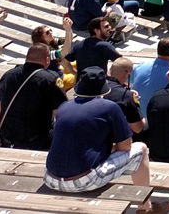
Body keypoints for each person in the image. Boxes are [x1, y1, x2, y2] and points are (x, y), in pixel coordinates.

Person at [43, 66, 155, 197]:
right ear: (104, 88)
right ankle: (146, 207)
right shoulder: (109, 107)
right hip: (83, 180)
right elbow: (126, 147)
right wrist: (109, 147)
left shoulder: (64, 107)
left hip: (50, 178)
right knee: (141, 149)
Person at [0, 42, 67, 149]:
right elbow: (61, 113)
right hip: (38, 139)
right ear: (47, 59)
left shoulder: (9, 75)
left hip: (8, 138)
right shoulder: (50, 79)